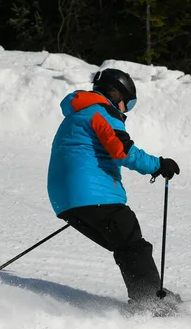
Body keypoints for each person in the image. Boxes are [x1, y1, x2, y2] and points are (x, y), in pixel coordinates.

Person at [47, 68, 181, 316]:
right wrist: (159, 164)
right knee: (132, 243)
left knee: (125, 245)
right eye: (127, 103)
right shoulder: (101, 112)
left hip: (66, 201)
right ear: (115, 93)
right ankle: (152, 302)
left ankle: (148, 297)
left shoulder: (76, 116)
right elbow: (122, 151)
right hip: (94, 195)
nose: (125, 110)